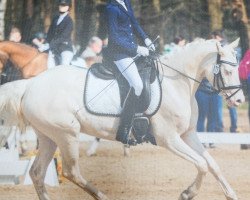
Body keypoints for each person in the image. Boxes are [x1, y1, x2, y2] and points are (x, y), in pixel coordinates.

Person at [106, 0, 155, 145]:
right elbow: (114, 37)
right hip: (120, 53)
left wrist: (145, 38)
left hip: (131, 49)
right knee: (137, 85)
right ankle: (124, 129)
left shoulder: (126, 2)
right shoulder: (111, 8)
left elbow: (133, 22)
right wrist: (137, 49)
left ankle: (143, 123)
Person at [38, 0, 73, 68]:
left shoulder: (69, 21)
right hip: (53, 48)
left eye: (64, 5)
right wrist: (45, 43)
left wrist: (49, 45)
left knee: (64, 65)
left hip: (64, 48)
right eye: (60, 5)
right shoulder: (55, 19)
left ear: (68, 7)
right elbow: (49, 34)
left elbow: (63, 36)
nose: (61, 7)